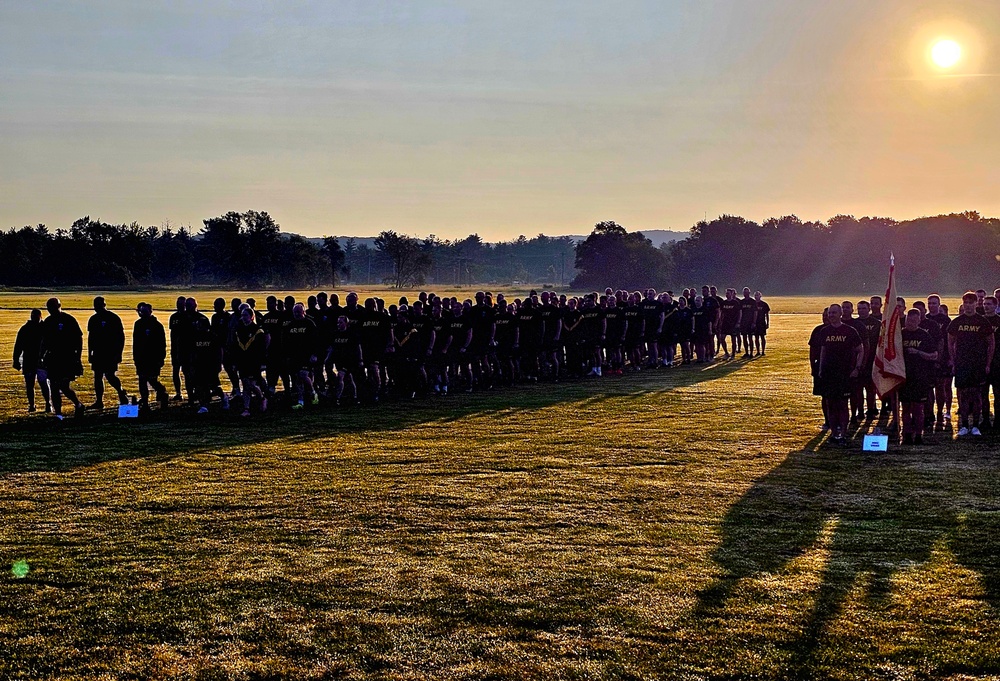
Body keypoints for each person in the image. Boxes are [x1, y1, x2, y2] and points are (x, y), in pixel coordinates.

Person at [815, 303, 864, 445]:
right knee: (831, 404)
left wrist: (857, 368)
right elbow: (823, 350)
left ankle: (843, 434)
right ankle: (833, 433)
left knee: (842, 404)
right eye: (830, 313)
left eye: (834, 313)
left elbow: (860, 350)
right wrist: (820, 368)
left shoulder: (850, 331)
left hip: (845, 374)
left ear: (840, 314)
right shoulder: (824, 331)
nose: (831, 316)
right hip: (829, 373)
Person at [948, 292, 994, 436]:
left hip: (978, 364)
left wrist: (987, 363)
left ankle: (975, 425)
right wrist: (954, 361)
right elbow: (950, 343)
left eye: (970, 303)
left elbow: (991, 343)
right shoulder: (956, 322)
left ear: (976, 304)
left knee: (976, 394)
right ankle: (964, 424)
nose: (968, 306)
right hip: (962, 364)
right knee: (962, 394)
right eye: (965, 303)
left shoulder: (983, 322)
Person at [39, 297, 86, 418]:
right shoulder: (48, 322)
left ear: (59, 306)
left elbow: (79, 338)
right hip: (53, 358)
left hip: (67, 357)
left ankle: (78, 404)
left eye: (53, 308)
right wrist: (41, 356)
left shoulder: (68, 319)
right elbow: (44, 340)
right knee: (54, 386)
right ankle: (58, 414)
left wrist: (78, 356)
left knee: (63, 385)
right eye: (49, 308)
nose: (51, 310)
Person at [899, 309, 937, 445]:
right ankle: (907, 434)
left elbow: (934, 355)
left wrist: (918, 352)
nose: (911, 323)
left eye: (914, 321)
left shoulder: (924, 335)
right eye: (909, 320)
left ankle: (919, 435)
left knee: (918, 408)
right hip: (904, 377)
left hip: (920, 376)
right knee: (906, 407)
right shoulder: (900, 335)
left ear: (919, 321)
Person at [87, 296, 129, 409]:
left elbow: (121, 337)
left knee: (110, 376)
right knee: (98, 376)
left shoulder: (113, 318)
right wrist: (90, 352)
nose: (97, 308)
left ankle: (121, 392)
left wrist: (119, 352)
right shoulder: (93, 319)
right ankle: (99, 401)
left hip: (110, 352)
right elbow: (91, 337)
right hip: (98, 352)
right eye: (96, 306)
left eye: (99, 305)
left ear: (104, 305)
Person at [232, 305, 268, 417]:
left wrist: (262, 362)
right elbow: (236, 348)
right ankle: (246, 408)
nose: (243, 317)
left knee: (251, 384)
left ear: (252, 317)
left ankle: (262, 398)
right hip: (242, 361)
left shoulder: (258, 331)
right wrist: (235, 362)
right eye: (242, 315)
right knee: (245, 384)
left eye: (246, 315)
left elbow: (262, 349)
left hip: (254, 361)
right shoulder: (238, 330)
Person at [12, 309, 51, 413]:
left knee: (42, 383)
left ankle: (47, 403)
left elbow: (18, 346)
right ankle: (33, 405)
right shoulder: (27, 329)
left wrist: (16, 359)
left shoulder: (40, 328)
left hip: (40, 361)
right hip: (30, 360)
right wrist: (16, 359)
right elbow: (18, 346)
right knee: (31, 384)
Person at [132, 302, 169, 410]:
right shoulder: (138, 324)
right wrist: (136, 357)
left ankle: (162, 392)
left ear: (150, 312)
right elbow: (136, 342)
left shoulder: (157, 325)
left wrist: (161, 358)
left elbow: (162, 344)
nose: (143, 314)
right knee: (142, 380)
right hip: (142, 358)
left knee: (152, 379)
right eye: (142, 312)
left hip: (153, 358)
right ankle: (145, 401)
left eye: (145, 312)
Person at [283, 303, 320, 409]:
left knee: (303, 375)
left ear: (304, 312)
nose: (297, 314)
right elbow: (286, 341)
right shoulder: (290, 325)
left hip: (307, 356)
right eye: (295, 312)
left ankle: (313, 393)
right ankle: (301, 401)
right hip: (294, 356)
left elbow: (316, 340)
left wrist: (314, 354)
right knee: (297, 379)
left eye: (299, 312)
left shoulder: (309, 324)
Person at [168, 295, 191, 401]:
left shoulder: (188, 317)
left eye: (181, 304)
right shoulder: (173, 317)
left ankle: (190, 392)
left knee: (187, 372)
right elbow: (172, 333)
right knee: (175, 371)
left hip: (186, 348)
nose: (179, 306)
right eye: (178, 304)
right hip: (175, 348)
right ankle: (178, 392)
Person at [718, 288, 742, 359]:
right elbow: (721, 313)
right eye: (726, 293)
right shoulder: (723, 303)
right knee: (722, 338)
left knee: (733, 339)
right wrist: (720, 322)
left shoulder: (735, 303)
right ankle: (726, 353)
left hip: (733, 323)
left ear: (732, 294)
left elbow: (739, 313)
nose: (727, 295)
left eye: (728, 293)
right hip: (725, 323)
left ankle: (733, 354)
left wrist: (738, 322)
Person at [739, 287, 758, 359]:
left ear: (749, 293)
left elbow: (755, 312)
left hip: (750, 322)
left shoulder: (752, 302)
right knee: (744, 338)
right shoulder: (741, 302)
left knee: (750, 338)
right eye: (744, 293)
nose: (745, 294)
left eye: (747, 292)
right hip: (743, 322)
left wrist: (754, 322)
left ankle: (751, 353)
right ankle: (746, 352)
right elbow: (740, 312)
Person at [753, 291, 770, 356]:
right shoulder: (753, 304)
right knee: (756, 337)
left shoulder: (764, 304)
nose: (756, 296)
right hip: (755, 323)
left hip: (762, 322)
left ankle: (763, 351)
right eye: (755, 295)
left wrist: (767, 323)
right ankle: (758, 351)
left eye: (758, 295)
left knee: (762, 337)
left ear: (760, 296)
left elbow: (767, 314)